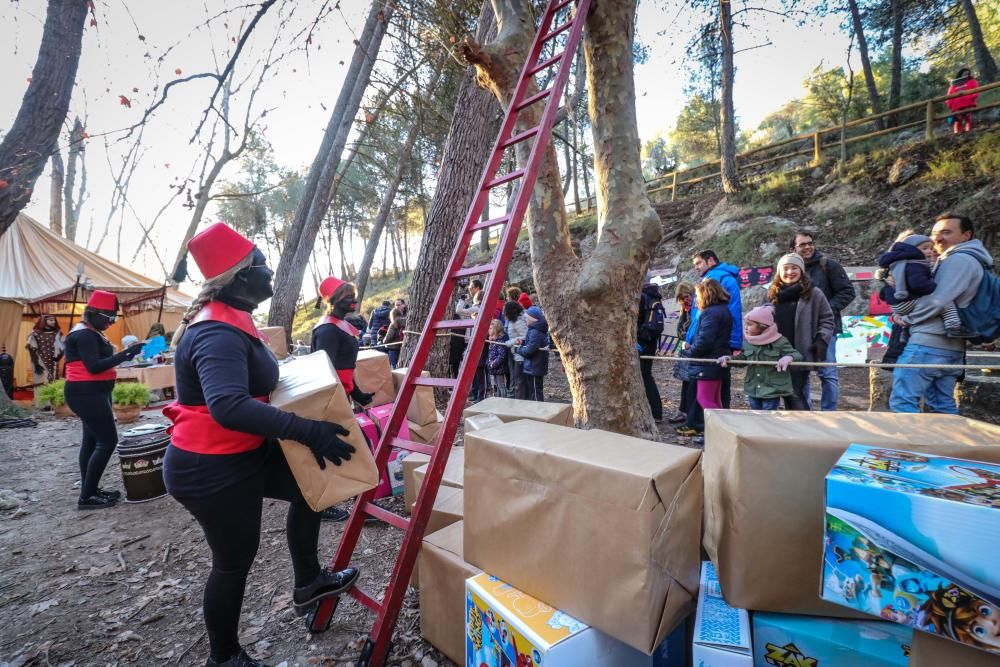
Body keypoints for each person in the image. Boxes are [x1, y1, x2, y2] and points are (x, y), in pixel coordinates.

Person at [162, 224, 359, 667]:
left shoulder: (234, 320)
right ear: (241, 276)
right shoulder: (216, 333)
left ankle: (308, 581)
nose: (272, 273)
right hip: (209, 467)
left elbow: (253, 381)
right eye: (263, 265)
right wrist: (309, 431)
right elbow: (228, 405)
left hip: (243, 451)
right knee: (234, 561)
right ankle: (224, 655)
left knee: (313, 485)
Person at [890, 213, 993, 414]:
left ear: (966, 235)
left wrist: (906, 318)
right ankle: (945, 446)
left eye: (947, 232)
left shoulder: (959, 260)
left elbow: (937, 300)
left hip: (928, 345)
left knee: (903, 402)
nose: (938, 238)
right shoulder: (966, 259)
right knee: (942, 405)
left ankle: (909, 446)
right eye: (935, 232)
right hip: (949, 347)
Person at [64, 291, 144, 510]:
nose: (110, 323)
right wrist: (125, 355)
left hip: (91, 392)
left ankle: (90, 491)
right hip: (86, 393)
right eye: (108, 318)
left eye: (113, 319)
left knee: (91, 442)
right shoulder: (85, 335)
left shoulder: (90, 332)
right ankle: (87, 497)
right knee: (107, 442)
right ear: (94, 314)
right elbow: (94, 366)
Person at [312, 276, 376, 522]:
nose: (353, 299)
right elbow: (325, 369)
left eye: (354, 294)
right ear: (334, 300)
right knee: (358, 448)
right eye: (347, 295)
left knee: (352, 449)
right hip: (331, 399)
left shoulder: (339, 325)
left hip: (342, 396)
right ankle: (361, 506)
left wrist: (357, 394)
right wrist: (336, 401)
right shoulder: (327, 329)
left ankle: (360, 503)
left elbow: (345, 367)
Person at [791, 230, 855, 411]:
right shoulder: (791, 269)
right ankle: (804, 413)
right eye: (802, 244)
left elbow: (847, 292)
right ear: (793, 248)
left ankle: (829, 413)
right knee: (800, 372)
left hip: (825, 329)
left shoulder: (829, 265)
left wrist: (824, 310)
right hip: (799, 330)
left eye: (810, 243)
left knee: (827, 373)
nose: (808, 247)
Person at [767, 253, 835, 410]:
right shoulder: (771, 293)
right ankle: (791, 429)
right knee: (782, 393)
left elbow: (827, 319)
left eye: (794, 268)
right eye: (786, 268)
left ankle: (804, 428)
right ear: (779, 271)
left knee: (794, 392)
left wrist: (821, 339)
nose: (790, 272)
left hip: (799, 351)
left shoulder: (813, 293)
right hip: (774, 352)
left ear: (801, 270)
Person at [877, 231, 973, 338]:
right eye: (925, 248)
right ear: (911, 249)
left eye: (932, 249)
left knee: (914, 311)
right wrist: (932, 286)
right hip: (905, 301)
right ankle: (954, 326)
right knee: (946, 302)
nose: (930, 252)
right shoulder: (915, 264)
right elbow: (917, 283)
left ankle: (904, 333)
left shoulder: (900, 263)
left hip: (897, 304)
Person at [676, 279, 732, 444]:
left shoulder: (711, 313)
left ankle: (718, 433)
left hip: (707, 363)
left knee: (705, 399)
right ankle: (720, 431)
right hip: (714, 360)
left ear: (706, 294)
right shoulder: (722, 310)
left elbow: (705, 340)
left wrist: (690, 351)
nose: (696, 300)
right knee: (715, 400)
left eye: (698, 296)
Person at [687, 250, 742, 410]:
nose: (696, 267)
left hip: (710, 353)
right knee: (713, 397)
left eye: (698, 263)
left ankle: (710, 429)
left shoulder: (718, 280)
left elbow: (706, 329)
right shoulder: (716, 306)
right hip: (713, 348)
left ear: (710, 260)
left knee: (705, 399)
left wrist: (692, 348)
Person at [719, 305, 802, 410]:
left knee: (766, 418)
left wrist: (789, 357)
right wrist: (729, 359)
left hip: (771, 389)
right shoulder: (748, 342)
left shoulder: (780, 341)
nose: (745, 327)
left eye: (750, 324)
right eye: (745, 324)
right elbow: (743, 359)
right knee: (756, 416)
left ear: (763, 326)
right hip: (753, 388)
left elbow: (797, 355)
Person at [637, 282, 665, 422]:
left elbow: (638, 320)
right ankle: (655, 412)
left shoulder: (641, 297)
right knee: (646, 375)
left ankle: (655, 412)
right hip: (651, 342)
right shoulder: (654, 298)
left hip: (641, 342)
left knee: (645, 376)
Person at [667, 282, 695, 424]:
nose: (686, 300)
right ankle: (682, 411)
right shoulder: (685, 310)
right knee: (685, 382)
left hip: (694, 350)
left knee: (693, 384)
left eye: (688, 296)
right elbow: (680, 331)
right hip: (685, 350)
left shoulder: (697, 309)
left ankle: (691, 413)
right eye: (683, 298)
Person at [514, 305, 549, 401]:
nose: (526, 319)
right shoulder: (533, 330)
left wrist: (518, 349)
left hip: (535, 366)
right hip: (533, 366)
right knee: (533, 390)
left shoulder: (535, 332)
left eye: (527, 317)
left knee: (535, 391)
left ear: (533, 319)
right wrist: (523, 342)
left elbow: (530, 350)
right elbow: (530, 344)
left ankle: (538, 410)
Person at [25, 314, 64, 386]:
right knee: (41, 384)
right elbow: (31, 349)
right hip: (40, 362)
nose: (54, 322)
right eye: (51, 320)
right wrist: (36, 364)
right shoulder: (35, 334)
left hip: (53, 362)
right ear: (44, 321)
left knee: (53, 384)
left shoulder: (57, 334)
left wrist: (59, 356)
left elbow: (63, 347)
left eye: (54, 320)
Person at [503, 301, 529, 399]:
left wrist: (510, 343)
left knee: (520, 382)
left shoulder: (519, 321)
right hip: (516, 354)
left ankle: (520, 403)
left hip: (521, 356)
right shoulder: (513, 321)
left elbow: (524, 337)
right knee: (518, 380)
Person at [946, 68, 980, 134]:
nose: (966, 75)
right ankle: (957, 133)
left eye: (968, 74)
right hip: (956, 106)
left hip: (968, 104)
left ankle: (968, 131)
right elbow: (949, 96)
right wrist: (950, 105)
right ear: (960, 75)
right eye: (965, 74)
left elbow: (976, 91)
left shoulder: (972, 81)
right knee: (958, 120)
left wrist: (970, 97)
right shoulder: (953, 85)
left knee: (968, 118)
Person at [486, 319, 509, 397]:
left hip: (499, 368)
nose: (488, 330)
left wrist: (493, 364)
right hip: (494, 368)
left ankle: (503, 401)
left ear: (496, 329)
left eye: (490, 328)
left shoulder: (500, 341)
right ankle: (498, 401)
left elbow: (502, 355)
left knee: (501, 386)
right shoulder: (492, 340)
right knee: (497, 386)